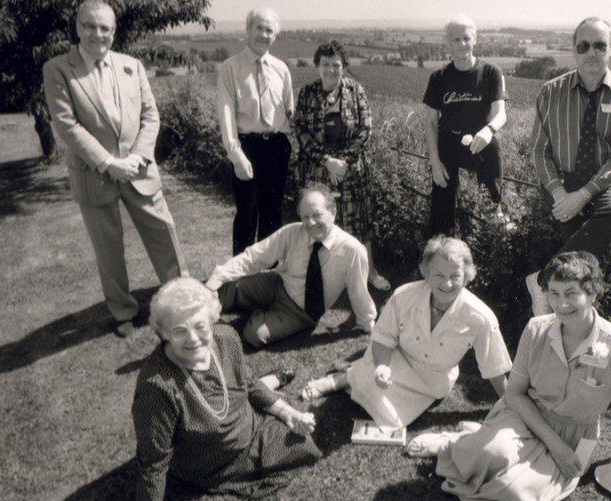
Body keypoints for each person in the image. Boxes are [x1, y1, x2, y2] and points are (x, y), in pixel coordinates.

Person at [411, 251, 611, 501]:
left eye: (571, 293)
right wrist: (554, 445)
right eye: (554, 294)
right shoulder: (536, 329)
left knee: (515, 494)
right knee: (488, 454)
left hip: (577, 436)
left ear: (593, 293)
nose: (561, 304)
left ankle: (478, 438)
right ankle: (457, 444)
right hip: (525, 415)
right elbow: (514, 393)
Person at [129, 278, 320, 501]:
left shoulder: (226, 337)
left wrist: (288, 413)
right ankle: (276, 380)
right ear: (163, 333)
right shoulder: (156, 388)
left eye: (200, 326)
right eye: (180, 331)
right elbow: (153, 463)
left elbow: (247, 383)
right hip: (214, 463)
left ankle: (275, 381)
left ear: (211, 320)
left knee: (304, 440)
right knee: (297, 450)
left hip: (250, 425)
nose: (194, 339)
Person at [42, 0, 187, 337]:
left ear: (114, 31)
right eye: (90, 26)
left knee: (165, 235)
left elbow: (151, 116)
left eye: (105, 28)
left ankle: (183, 301)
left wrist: (136, 157)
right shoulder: (57, 69)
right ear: (77, 27)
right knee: (109, 249)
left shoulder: (132, 66)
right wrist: (109, 163)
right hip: (94, 175)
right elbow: (66, 125)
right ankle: (124, 312)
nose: (98, 34)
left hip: (139, 170)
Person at [301, 236, 512, 430]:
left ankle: (352, 376)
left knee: (392, 419)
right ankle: (339, 380)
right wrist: (382, 366)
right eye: (438, 275)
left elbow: (494, 367)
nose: (447, 284)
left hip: (432, 381)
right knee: (372, 380)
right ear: (426, 272)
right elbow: (383, 338)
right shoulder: (404, 296)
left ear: (467, 276)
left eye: (455, 276)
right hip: (395, 359)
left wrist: (511, 406)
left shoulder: (480, 317)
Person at [526, 16, 611, 316]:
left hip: (605, 180)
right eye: (584, 45)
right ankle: (579, 314)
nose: (592, 52)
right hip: (562, 180)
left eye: (600, 45)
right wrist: (558, 193)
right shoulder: (551, 92)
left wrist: (582, 195)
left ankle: (542, 283)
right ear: (574, 50)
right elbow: (539, 151)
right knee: (573, 230)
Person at [205, 185, 377, 348]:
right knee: (225, 286)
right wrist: (218, 276)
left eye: (317, 215)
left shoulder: (353, 250)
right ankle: (196, 311)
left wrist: (367, 323)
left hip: (300, 312)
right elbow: (254, 257)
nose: (310, 223)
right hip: (277, 283)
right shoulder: (292, 232)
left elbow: (358, 290)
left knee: (254, 335)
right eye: (305, 217)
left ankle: (256, 311)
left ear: (332, 212)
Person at [293, 40, 391, 292]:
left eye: (336, 65)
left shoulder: (355, 90)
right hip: (318, 170)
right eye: (325, 64)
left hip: (352, 170)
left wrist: (343, 162)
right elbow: (301, 131)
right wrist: (327, 162)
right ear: (317, 65)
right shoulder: (307, 94)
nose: (330, 70)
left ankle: (369, 271)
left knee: (360, 221)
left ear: (344, 66)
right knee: (318, 221)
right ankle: (320, 274)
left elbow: (365, 129)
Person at [421, 15, 510, 237]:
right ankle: (442, 244)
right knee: (442, 200)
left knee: (493, 147)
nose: (462, 44)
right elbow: (431, 122)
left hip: (480, 141)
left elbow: (500, 114)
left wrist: (488, 131)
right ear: (447, 43)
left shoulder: (491, 73)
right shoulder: (439, 77)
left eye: (466, 38)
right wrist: (435, 161)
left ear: (475, 39)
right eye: (456, 39)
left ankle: (494, 214)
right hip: (448, 143)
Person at [216, 8, 295, 255]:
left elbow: (289, 111)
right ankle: (240, 277)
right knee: (247, 215)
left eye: (269, 30)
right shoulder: (230, 68)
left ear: (275, 36)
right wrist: (236, 155)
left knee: (272, 214)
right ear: (247, 30)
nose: (263, 34)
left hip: (277, 147)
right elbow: (226, 115)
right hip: (247, 147)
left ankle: (267, 274)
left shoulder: (282, 69)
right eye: (258, 28)